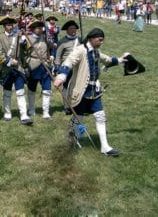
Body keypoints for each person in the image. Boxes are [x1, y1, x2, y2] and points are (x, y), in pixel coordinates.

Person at [54, 28, 127, 157]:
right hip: (80, 91)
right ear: (91, 39)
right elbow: (68, 62)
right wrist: (61, 77)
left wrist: (120, 60)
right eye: (99, 40)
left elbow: (107, 60)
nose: (101, 42)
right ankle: (73, 137)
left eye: (102, 40)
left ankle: (105, 147)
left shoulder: (97, 51)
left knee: (100, 115)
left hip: (94, 91)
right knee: (79, 117)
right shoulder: (80, 50)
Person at [0, 16, 33, 125]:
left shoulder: (18, 36)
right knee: (7, 91)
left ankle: (24, 114)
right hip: (6, 69)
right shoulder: (0, 37)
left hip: (18, 68)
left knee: (20, 91)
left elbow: (26, 50)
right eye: (8, 25)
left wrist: (23, 40)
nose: (10, 26)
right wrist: (10, 61)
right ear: (4, 26)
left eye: (11, 24)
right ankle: (7, 112)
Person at [24, 20, 53, 119]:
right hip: (33, 65)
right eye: (38, 28)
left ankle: (46, 112)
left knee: (47, 89)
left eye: (41, 28)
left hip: (45, 66)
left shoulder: (45, 38)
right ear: (33, 29)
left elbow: (51, 47)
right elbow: (23, 52)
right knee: (32, 89)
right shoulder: (28, 39)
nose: (40, 30)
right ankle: (31, 109)